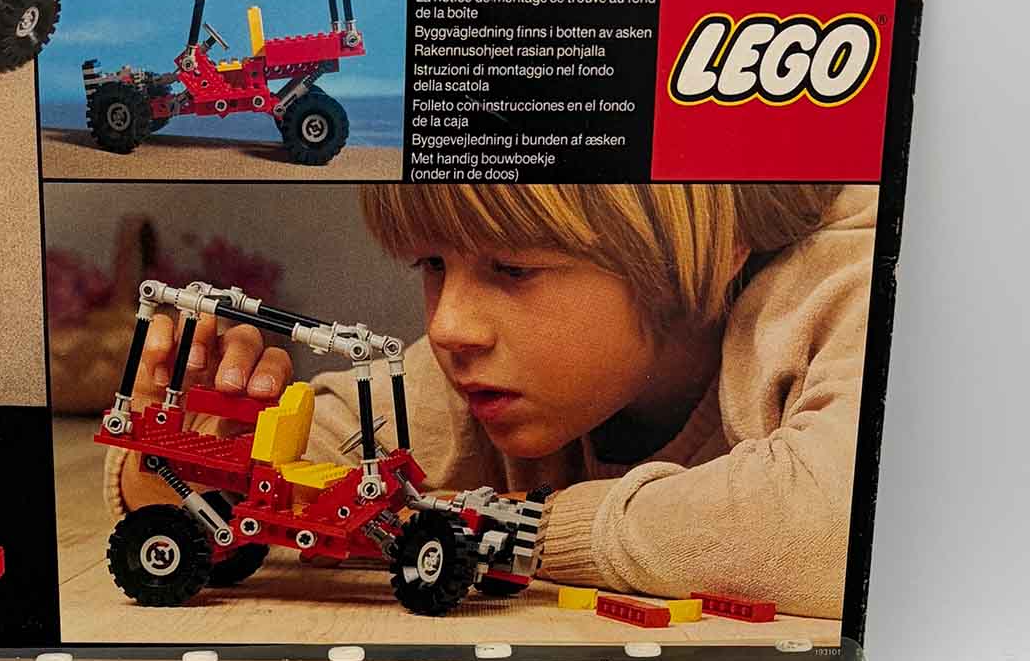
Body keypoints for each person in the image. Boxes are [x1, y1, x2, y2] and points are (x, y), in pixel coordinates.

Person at [105, 181, 874, 617]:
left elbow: (836, 524)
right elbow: (325, 464)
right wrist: (193, 464)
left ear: (706, 249)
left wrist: (521, 531)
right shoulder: (475, 380)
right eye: (432, 265)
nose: (448, 327)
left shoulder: (845, 288)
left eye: (513, 268)